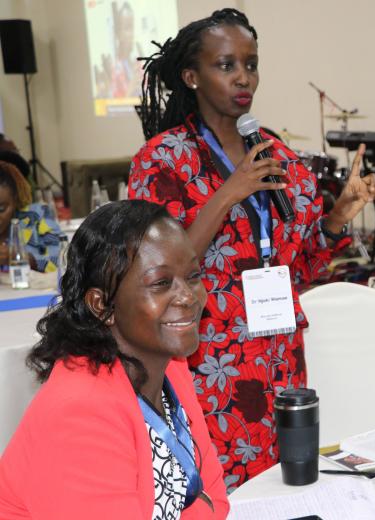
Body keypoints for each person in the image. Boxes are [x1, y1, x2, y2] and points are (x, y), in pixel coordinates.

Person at [130, 9, 375, 489]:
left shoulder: (276, 155)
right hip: (209, 359)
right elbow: (160, 271)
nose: (244, 77)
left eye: (251, 64)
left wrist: (336, 217)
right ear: (192, 77)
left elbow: (300, 266)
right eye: (226, 65)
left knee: (285, 488)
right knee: (218, 492)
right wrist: (230, 192)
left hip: (280, 354)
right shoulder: (162, 160)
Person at [0, 200, 229, 518]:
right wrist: (201, 508)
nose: (189, 296)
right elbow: (205, 503)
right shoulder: (79, 411)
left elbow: (215, 496)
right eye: (161, 283)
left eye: (192, 275)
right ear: (101, 305)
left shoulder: (171, 368)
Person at [0, 160, 61, 273]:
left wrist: (26, 259)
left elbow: (62, 258)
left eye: (1, 209)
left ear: (15, 200)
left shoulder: (36, 216)